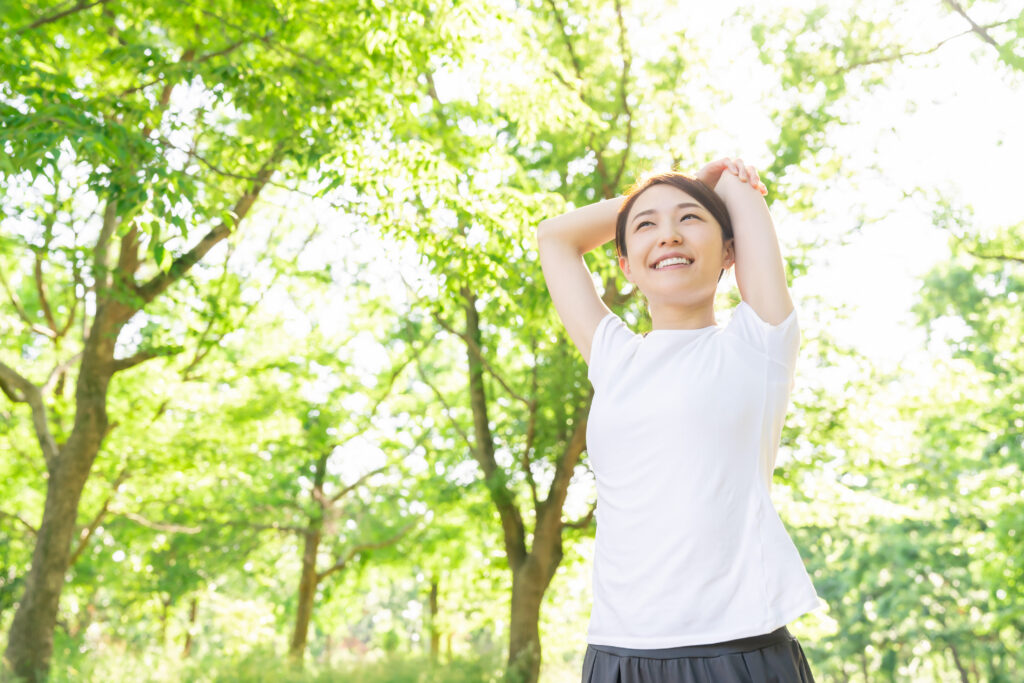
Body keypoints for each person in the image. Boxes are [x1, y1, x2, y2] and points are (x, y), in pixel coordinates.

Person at [537, 158, 823, 682]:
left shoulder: (759, 343)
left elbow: (738, 185)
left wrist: (706, 187)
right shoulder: (615, 358)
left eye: (690, 219)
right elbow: (555, 237)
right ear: (626, 265)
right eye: (646, 226)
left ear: (730, 252)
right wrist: (679, 187)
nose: (668, 235)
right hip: (619, 653)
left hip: (737, 650)